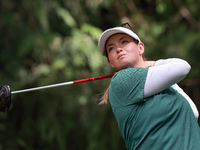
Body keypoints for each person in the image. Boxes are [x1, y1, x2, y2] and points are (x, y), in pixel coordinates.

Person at [98, 23, 200, 150]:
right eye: (111, 48)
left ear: (140, 48)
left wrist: (149, 67)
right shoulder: (121, 80)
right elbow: (183, 67)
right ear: (110, 62)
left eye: (124, 42)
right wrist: (151, 64)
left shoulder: (164, 84)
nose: (118, 49)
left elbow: (193, 113)